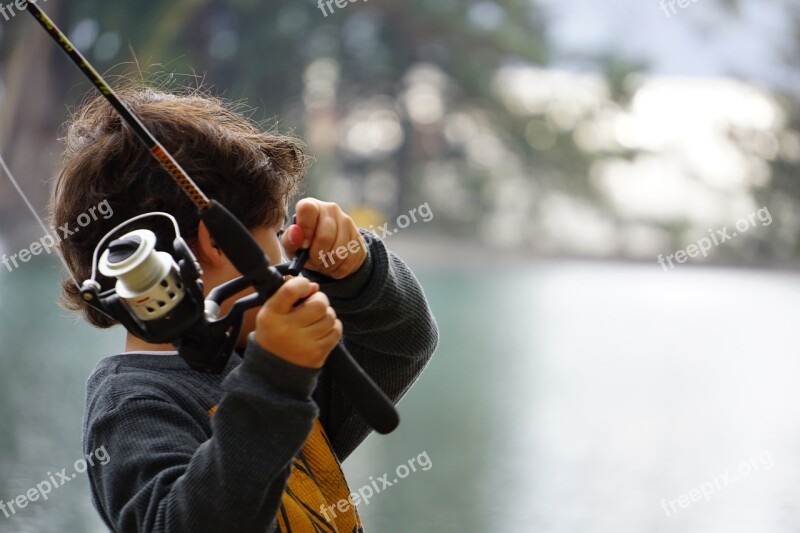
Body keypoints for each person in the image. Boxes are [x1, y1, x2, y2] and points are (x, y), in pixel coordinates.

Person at [48, 87, 439, 532]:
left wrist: (357, 272)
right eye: (275, 231)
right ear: (216, 242)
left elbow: (401, 344)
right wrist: (275, 379)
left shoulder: (257, 364)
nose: (288, 247)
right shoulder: (133, 405)